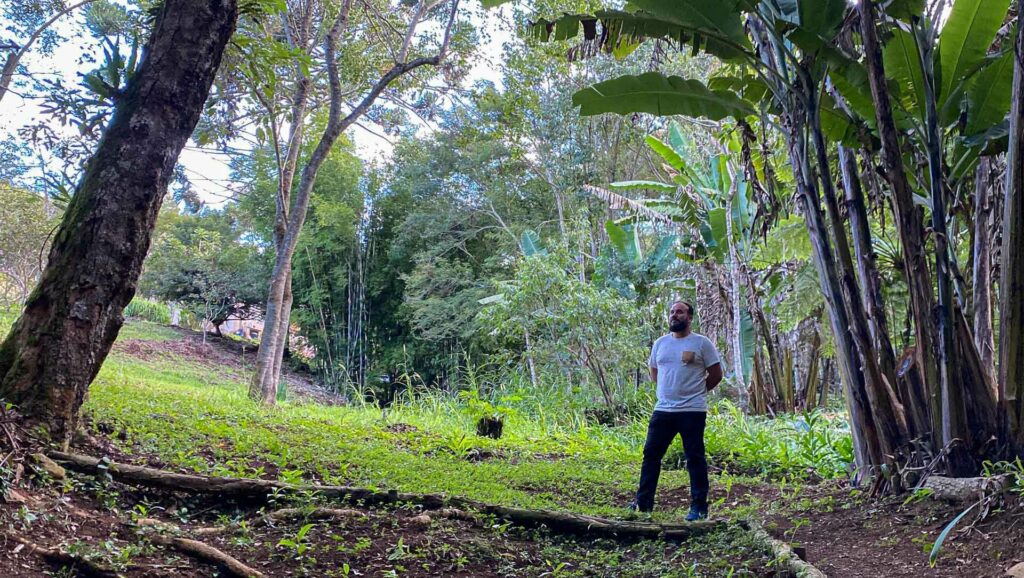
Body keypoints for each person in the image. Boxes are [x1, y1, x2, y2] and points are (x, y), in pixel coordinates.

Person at [630, 300, 723, 520]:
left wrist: (697, 393)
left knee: (694, 458)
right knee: (651, 455)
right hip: (663, 410)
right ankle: (643, 505)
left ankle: (699, 507)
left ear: (690, 318)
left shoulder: (702, 343)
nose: (674, 315)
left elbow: (716, 374)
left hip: (692, 410)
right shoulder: (660, 343)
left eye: (680, 312)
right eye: (672, 312)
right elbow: (655, 373)